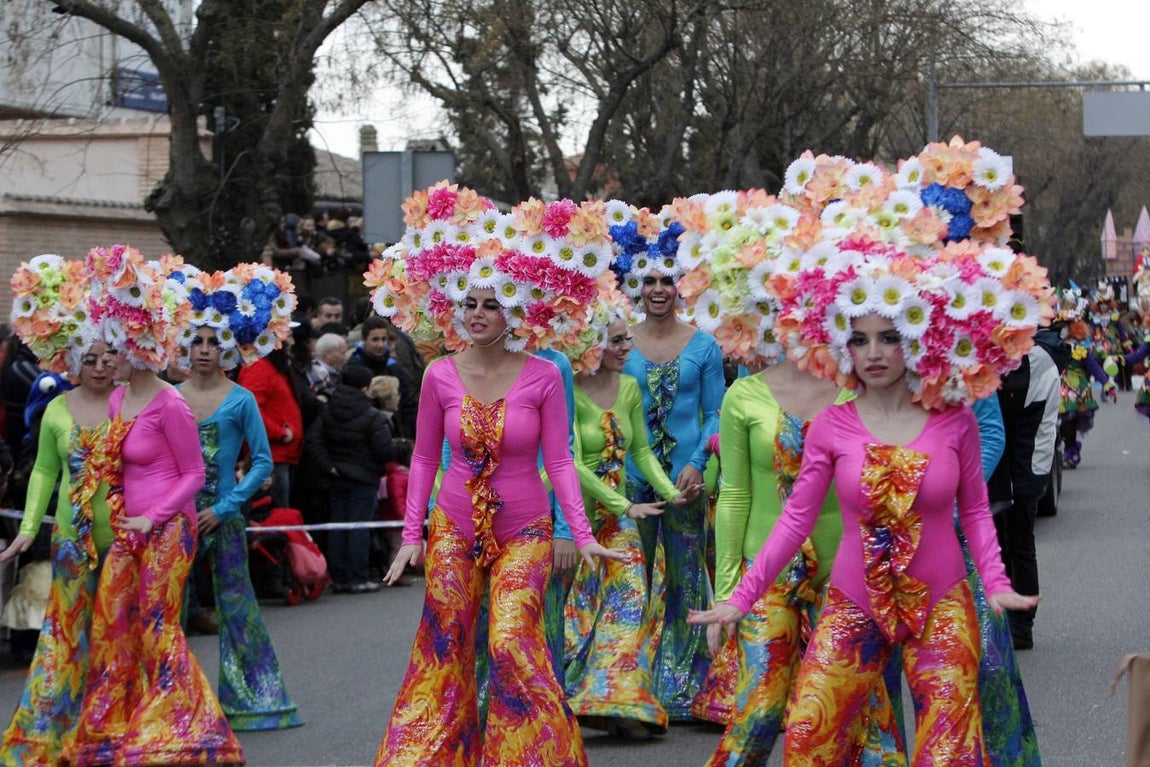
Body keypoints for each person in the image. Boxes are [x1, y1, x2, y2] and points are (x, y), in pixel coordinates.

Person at [688, 229, 1045, 764]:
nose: (873, 353)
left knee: (948, 752)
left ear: (918, 340)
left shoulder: (955, 419)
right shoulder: (833, 424)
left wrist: (994, 582)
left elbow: (973, 510)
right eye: (859, 339)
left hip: (941, 603)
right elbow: (795, 519)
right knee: (809, 739)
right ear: (839, 344)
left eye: (889, 338)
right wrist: (740, 596)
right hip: (853, 604)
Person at [369, 183, 626, 765]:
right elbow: (423, 458)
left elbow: (561, 461)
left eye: (493, 303)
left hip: (526, 531)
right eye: (471, 303)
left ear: (516, 308)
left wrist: (579, 534)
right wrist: (412, 537)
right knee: (445, 644)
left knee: (511, 641)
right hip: (454, 528)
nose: (480, 314)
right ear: (455, 307)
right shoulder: (438, 374)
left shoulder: (543, 374)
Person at [71, 246, 243, 766]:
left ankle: (184, 724)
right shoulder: (121, 400)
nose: (107, 357)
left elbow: (195, 475)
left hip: (170, 528)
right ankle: (115, 721)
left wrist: (153, 516)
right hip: (130, 527)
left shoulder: (171, 403)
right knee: (111, 616)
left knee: (157, 621)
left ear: (140, 348)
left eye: (116, 348)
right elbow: (121, 466)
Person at [174, 263, 303, 730]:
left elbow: (264, 463)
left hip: (223, 516)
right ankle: (172, 705)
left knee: (236, 604)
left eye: (213, 341)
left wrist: (226, 507)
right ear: (186, 345)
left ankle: (255, 697)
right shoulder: (170, 398)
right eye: (197, 340)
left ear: (228, 348)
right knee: (171, 609)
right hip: (176, 517)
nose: (205, 349)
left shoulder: (241, 398)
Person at [0, 255, 116, 765]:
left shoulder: (132, 407)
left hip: (125, 540)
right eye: (88, 359)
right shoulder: (56, 409)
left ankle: (112, 720)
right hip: (71, 538)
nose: (97, 367)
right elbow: (45, 472)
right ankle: (59, 722)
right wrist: (28, 529)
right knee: (65, 633)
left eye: (106, 358)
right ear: (71, 362)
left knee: (116, 632)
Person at [562, 292, 687, 740]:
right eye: (616, 341)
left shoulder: (631, 388)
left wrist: (671, 493)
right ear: (592, 344)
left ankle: (623, 701)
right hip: (575, 520)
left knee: (632, 602)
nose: (626, 348)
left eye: (626, 340)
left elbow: (640, 450)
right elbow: (570, 463)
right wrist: (622, 504)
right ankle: (576, 698)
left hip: (620, 520)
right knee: (578, 613)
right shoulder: (567, 390)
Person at [622, 266, 724, 718]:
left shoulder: (704, 345)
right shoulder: (618, 340)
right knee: (629, 581)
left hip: (686, 484)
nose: (658, 290)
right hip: (632, 482)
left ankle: (683, 682)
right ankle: (628, 683)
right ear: (636, 287)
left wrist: (697, 464)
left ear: (681, 287)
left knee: (686, 580)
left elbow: (716, 413)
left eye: (668, 281)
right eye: (650, 282)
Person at [306, 363, 395, 593]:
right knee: (359, 527)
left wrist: (328, 466)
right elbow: (384, 450)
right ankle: (358, 576)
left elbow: (314, 440)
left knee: (338, 525)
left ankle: (339, 577)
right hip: (363, 477)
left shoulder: (328, 409)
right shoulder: (371, 414)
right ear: (365, 387)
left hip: (337, 475)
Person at [239, 340, 304, 509]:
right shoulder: (259, 367)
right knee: (275, 520)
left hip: (277, 456)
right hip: (270, 457)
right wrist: (279, 433)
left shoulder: (269, 367)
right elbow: (250, 409)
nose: (290, 340)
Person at [348, 314, 419, 438]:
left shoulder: (394, 367)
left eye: (383, 339)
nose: (380, 344)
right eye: (375, 339)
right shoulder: (353, 367)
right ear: (364, 340)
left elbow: (409, 404)